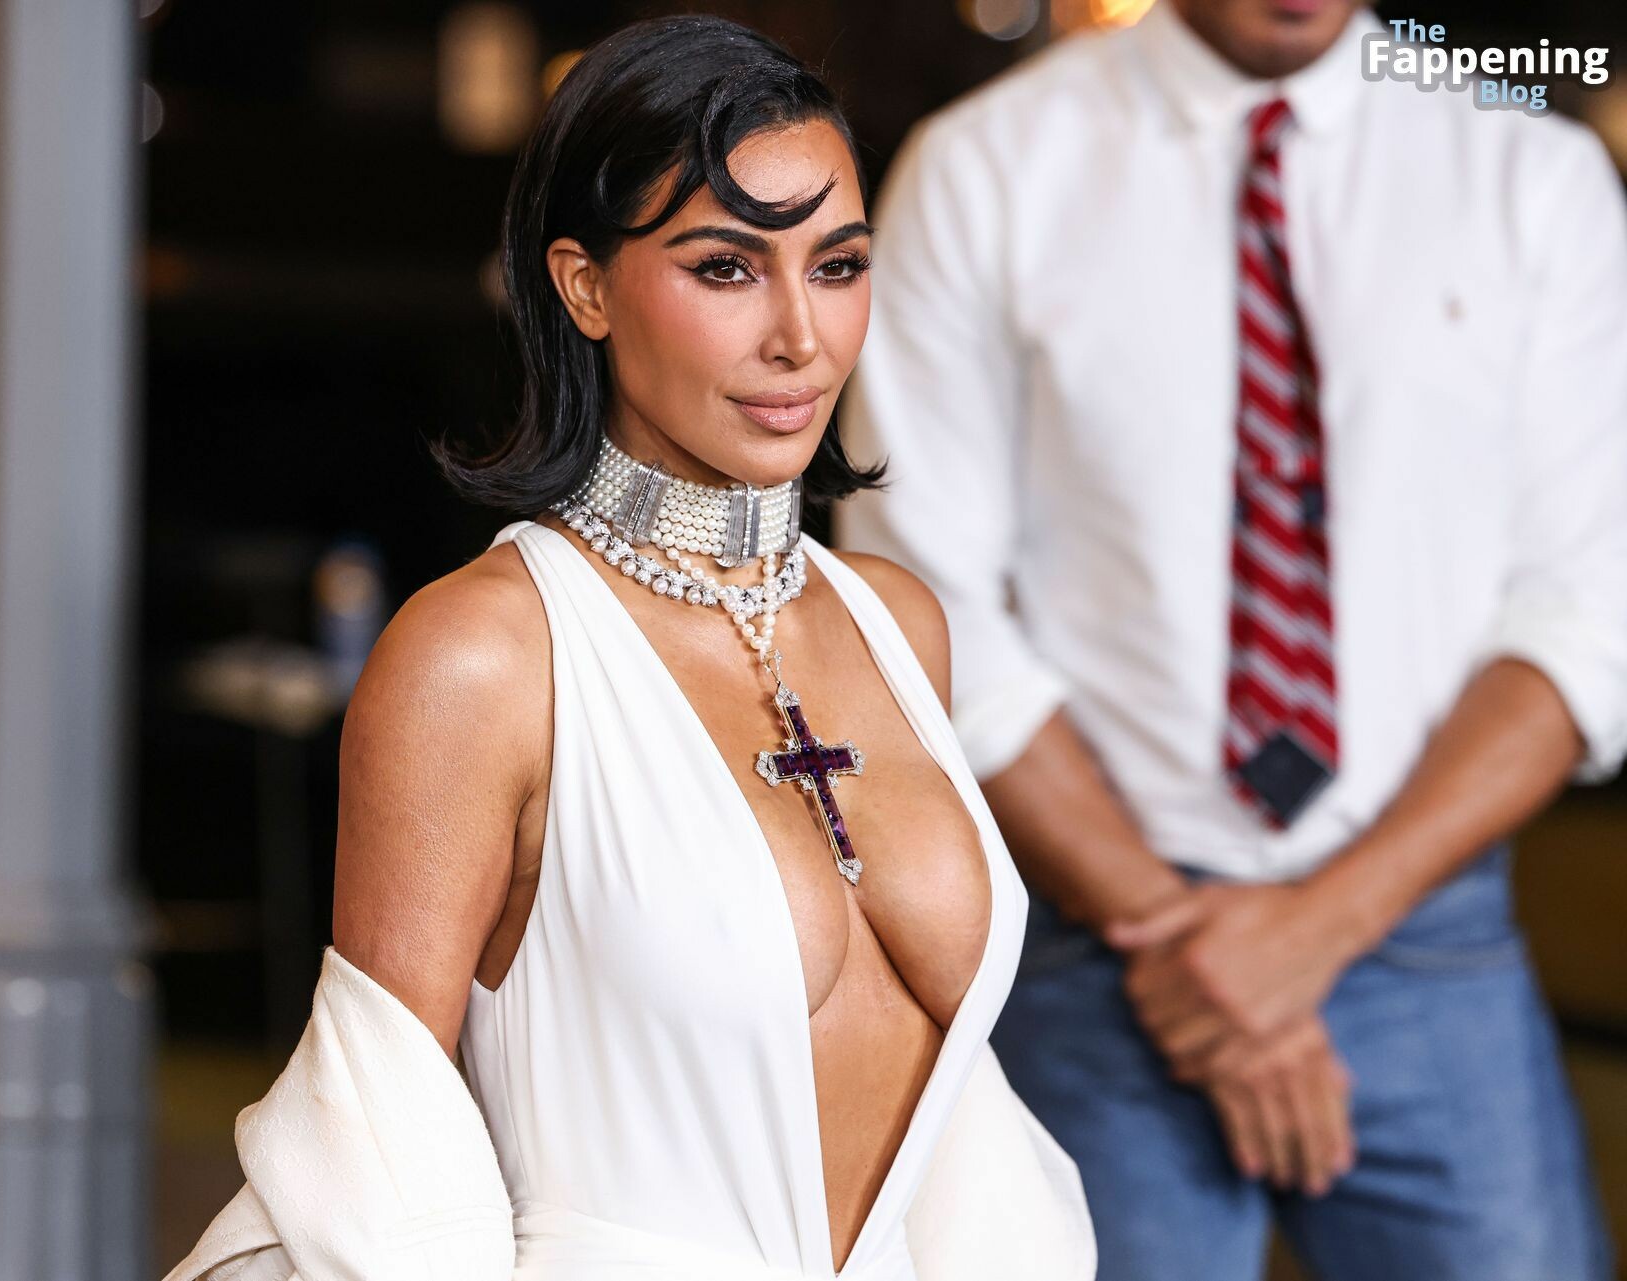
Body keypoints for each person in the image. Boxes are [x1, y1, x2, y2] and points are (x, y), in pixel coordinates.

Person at [164, 15, 1094, 1281]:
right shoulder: (484, 657)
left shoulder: (897, 624)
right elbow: (381, 1156)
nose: (800, 336)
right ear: (584, 286)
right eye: (726, 268)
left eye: (836, 265)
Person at [835, 0, 1627, 1278]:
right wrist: (1173, 935)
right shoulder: (983, 167)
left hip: (1423, 922)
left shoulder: (1533, 171)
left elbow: (1586, 610)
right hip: (1097, 938)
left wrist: (1307, 931)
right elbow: (925, 602)